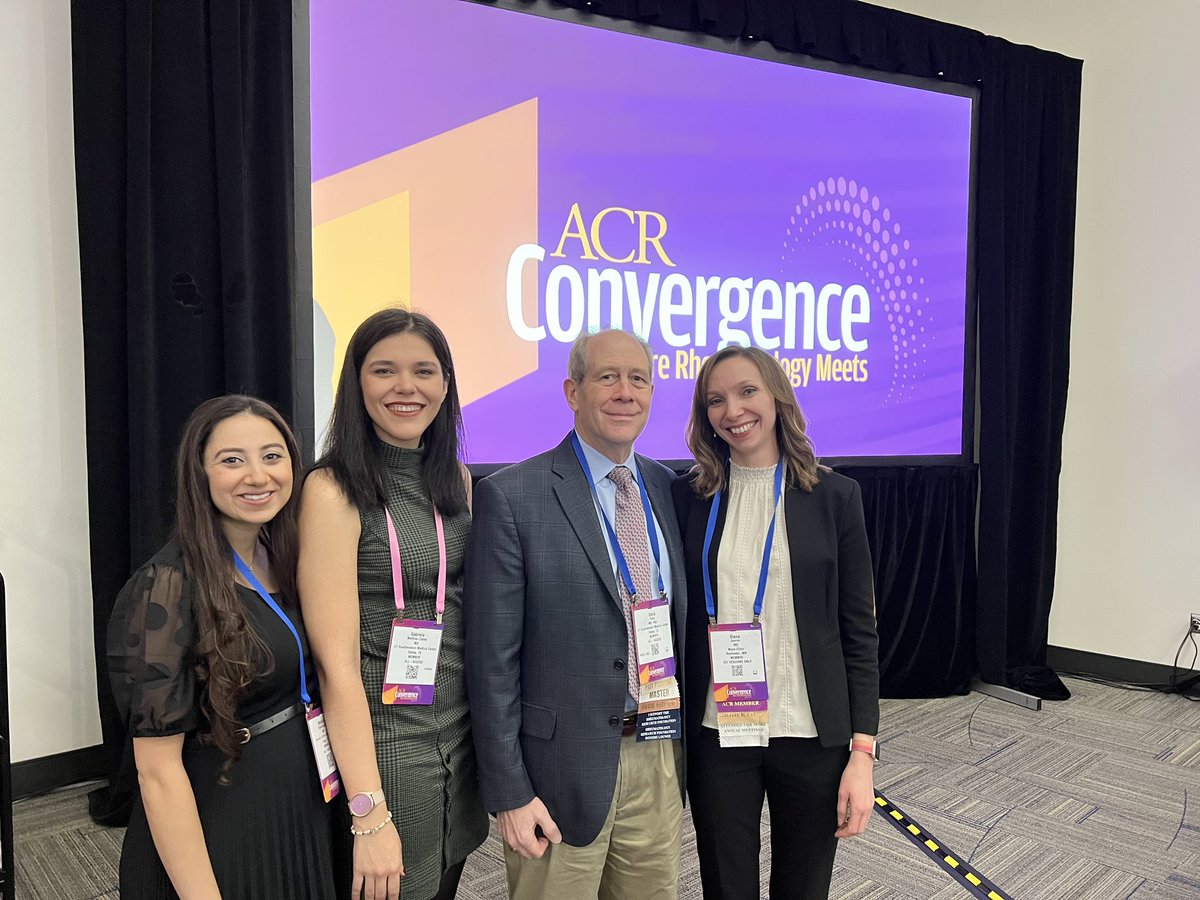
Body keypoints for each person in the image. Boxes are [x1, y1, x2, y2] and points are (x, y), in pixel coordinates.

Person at [464, 328, 688, 900]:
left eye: (638, 379)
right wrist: (509, 791)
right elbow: (492, 663)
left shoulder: (670, 489)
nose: (624, 392)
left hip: (657, 754)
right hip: (558, 771)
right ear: (572, 391)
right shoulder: (514, 495)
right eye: (607, 377)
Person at [107, 395, 340, 898]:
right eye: (232, 460)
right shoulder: (165, 586)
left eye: (272, 455)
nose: (258, 475)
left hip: (294, 810)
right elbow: (158, 772)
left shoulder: (283, 558)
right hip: (222, 826)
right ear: (200, 474)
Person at [672, 345, 880, 900]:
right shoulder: (688, 497)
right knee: (726, 885)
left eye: (746, 392)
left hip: (812, 735)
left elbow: (859, 633)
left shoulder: (836, 497)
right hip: (720, 732)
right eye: (715, 400)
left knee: (804, 887)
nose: (732, 410)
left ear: (776, 396)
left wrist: (863, 753)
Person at [299, 308, 488, 900]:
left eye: (424, 372)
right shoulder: (332, 490)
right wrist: (369, 811)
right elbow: (335, 667)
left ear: (446, 385)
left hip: (457, 739)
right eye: (384, 370)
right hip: (383, 746)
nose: (406, 387)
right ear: (357, 384)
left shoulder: (457, 480)